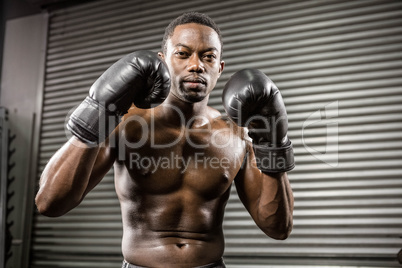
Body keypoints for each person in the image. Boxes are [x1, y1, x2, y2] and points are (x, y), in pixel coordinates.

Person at [35, 12, 295, 268]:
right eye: (183, 54)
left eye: (209, 57)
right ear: (163, 60)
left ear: (220, 67)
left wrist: (274, 144)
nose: (196, 65)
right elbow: (50, 203)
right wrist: (98, 111)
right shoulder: (126, 125)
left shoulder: (237, 135)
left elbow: (278, 228)